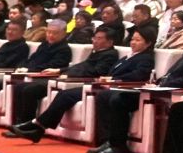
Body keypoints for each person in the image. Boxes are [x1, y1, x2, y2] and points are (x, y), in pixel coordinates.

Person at [85, 21, 183, 153]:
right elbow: (170, 75)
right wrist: (158, 82)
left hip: (173, 93)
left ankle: (118, 145)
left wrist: (162, 85)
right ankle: (108, 141)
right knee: (105, 96)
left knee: (118, 99)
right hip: (159, 91)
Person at [10, 28, 155, 142]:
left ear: (148, 43)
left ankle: (37, 126)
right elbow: (85, 66)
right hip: (102, 85)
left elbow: (138, 75)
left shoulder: (144, 58)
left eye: (138, 40)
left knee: (64, 95)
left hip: (112, 87)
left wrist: (113, 79)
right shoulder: (126, 57)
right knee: (63, 94)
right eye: (132, 39)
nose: (133, 42)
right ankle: (38, 128)